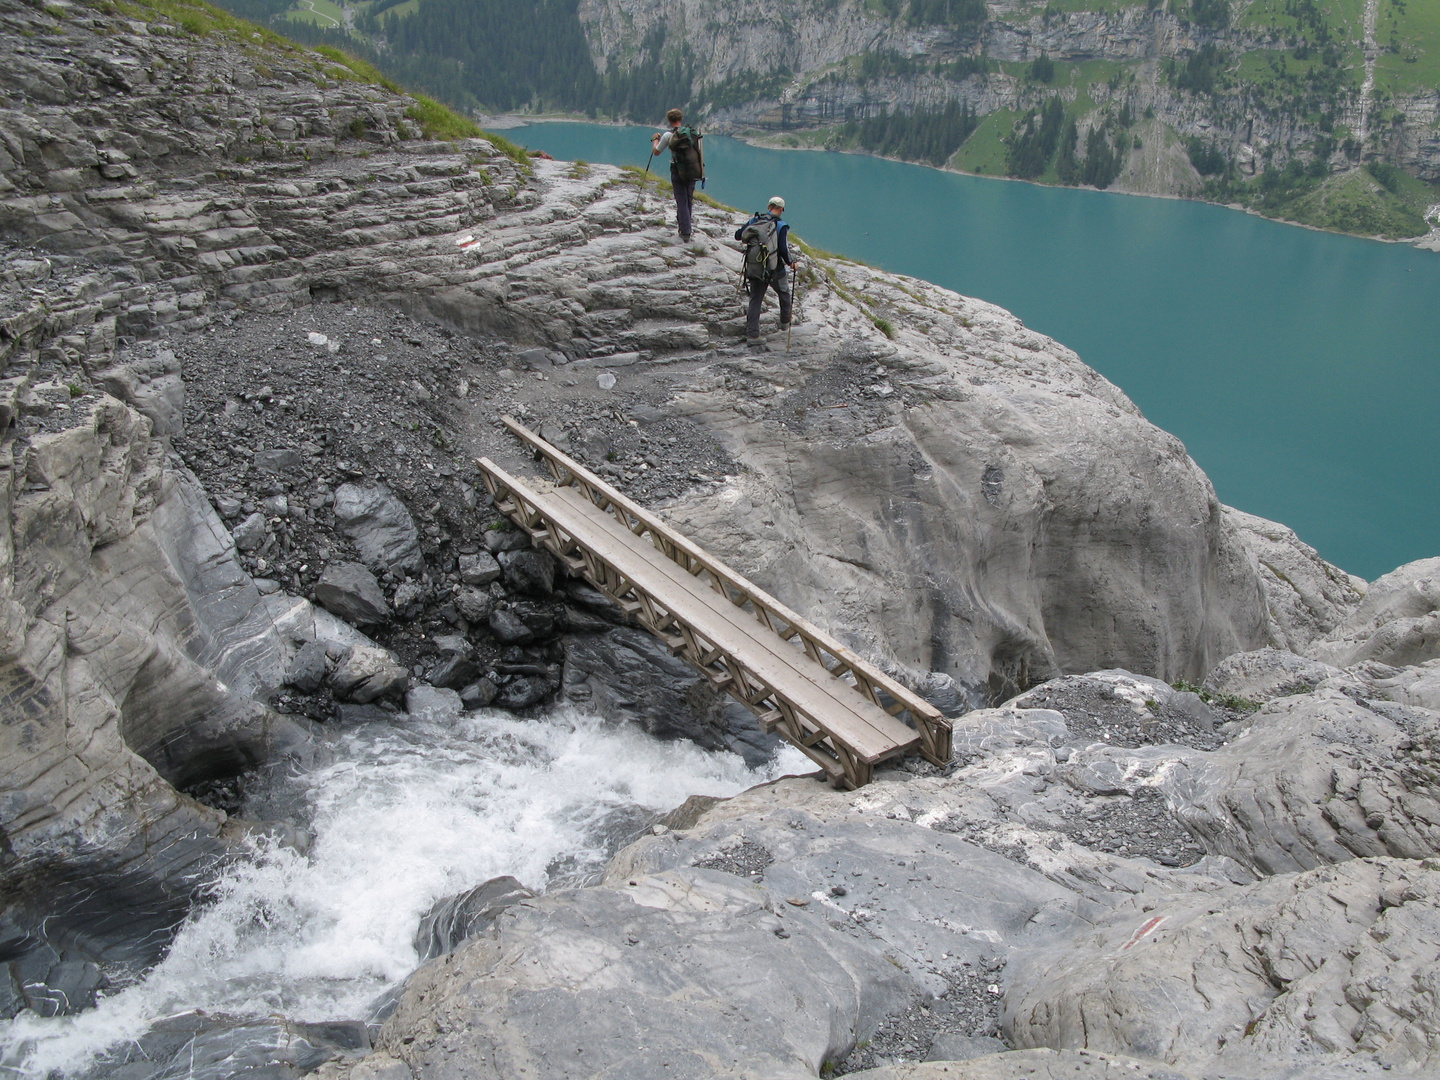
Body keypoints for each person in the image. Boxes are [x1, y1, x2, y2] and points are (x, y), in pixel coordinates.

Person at [735, 196, 800, 345]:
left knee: (755, 300)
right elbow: (783, 249)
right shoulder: (781, 225)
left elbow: (738, 235)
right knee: (784, 293)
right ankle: (785, 321)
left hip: (755, 267)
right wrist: (791, 263)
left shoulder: (755, 220)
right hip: (775, 268)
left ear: (769, 206)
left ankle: (753, 335)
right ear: (781, 209)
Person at [651, 109, 704, 241]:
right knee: (688, 199)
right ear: (681, 118)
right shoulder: (692, 133)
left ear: (669, 120)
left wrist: (655, 140)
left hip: (677, 171)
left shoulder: (668, 135)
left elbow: (656, 152)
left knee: (681, 201)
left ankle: (685, 231)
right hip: (692, 170)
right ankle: (686, 226)